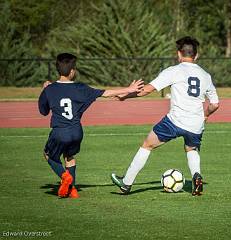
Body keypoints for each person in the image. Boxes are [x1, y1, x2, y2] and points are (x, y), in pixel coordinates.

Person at [111, 36, 220, 196]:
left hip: (174, 121)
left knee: (147, 145)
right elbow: (215, 104)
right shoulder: (205, 75)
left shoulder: (173, 71)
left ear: (178, 54)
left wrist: (126, 95)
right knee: (191, 149)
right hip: (196, 124)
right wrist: (205, 115)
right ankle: (197, 177)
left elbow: (147, 90)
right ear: (196, 56)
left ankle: (126, 183)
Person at [39, 53, 143, 198]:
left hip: (59, 131)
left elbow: (43, 111)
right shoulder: (81, 88)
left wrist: (44, 90)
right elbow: (106, 93)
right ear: (72, 71)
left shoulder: (49, 89)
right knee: (69, 156)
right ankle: (72, 190)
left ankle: (65, 177)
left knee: (48, 155)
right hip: (76, 132)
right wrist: (129, 89)